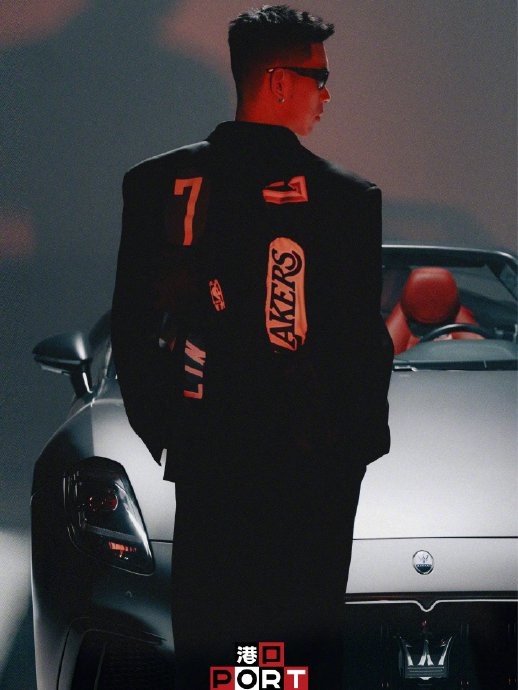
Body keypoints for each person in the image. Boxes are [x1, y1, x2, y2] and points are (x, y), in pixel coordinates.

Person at [111, 5, 393, 689]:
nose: (326, 94)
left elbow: (132, 332)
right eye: (318, 78)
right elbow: (363, 350)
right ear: (277, 82)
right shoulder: (346, 200)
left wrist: (173, 435)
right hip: (307, 481)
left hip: (213, 470)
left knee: (222, 657)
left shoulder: (158, 185)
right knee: (294, 662)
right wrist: (347, 455)